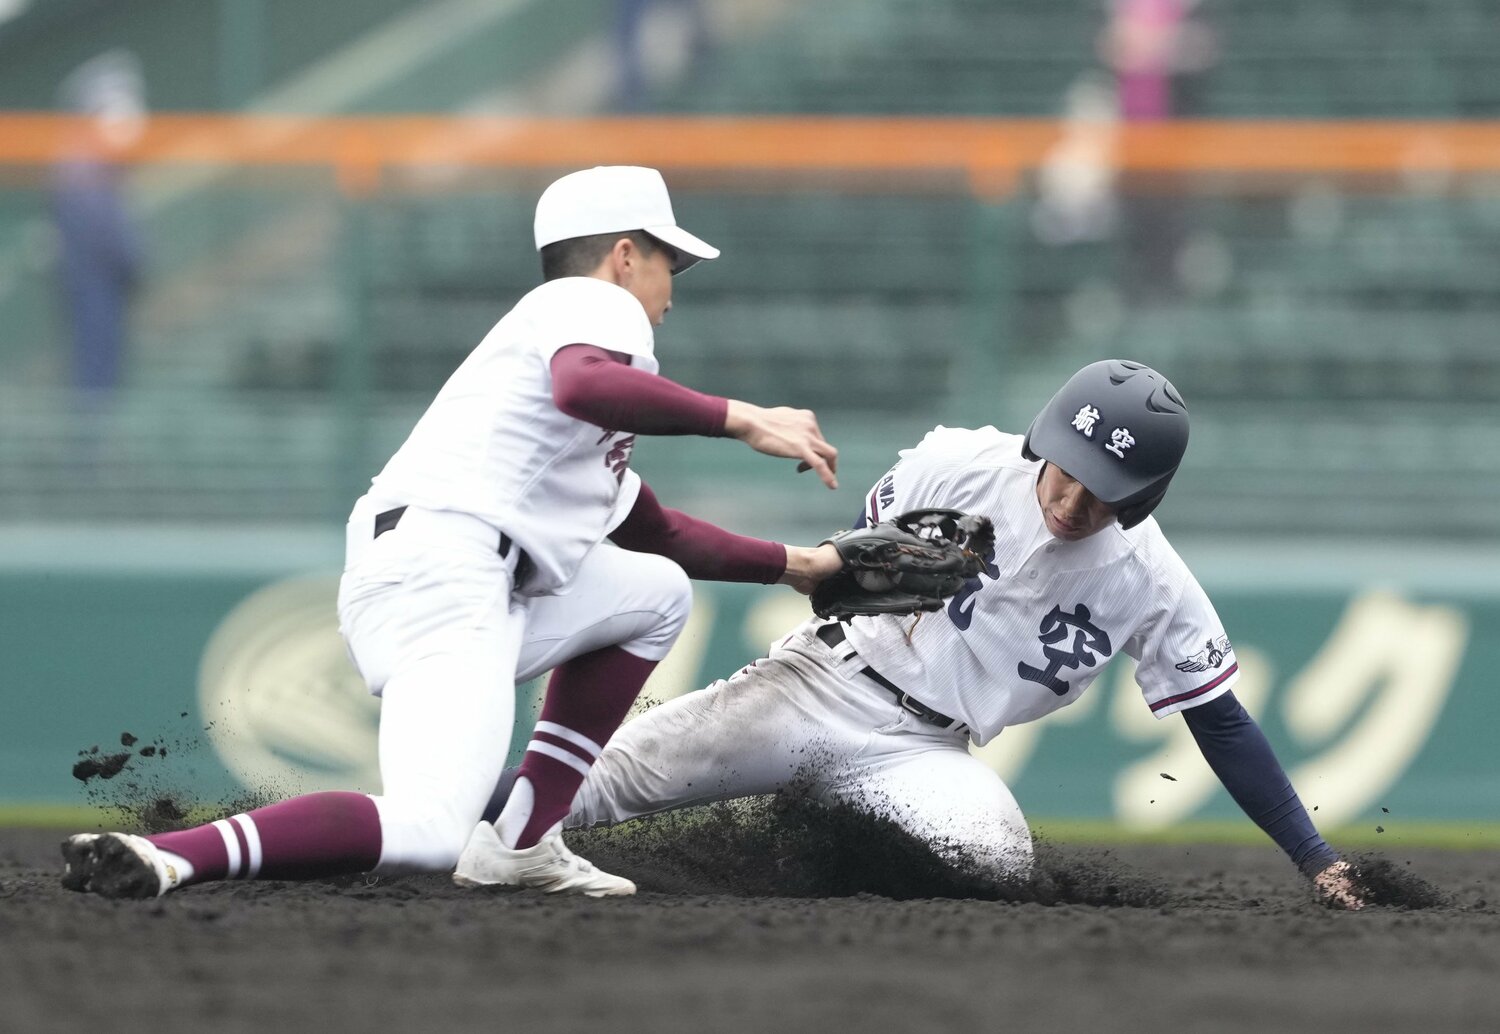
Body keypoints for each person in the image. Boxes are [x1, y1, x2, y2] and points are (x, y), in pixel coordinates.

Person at [61, 165, 847, 900]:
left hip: (463, 571)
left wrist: (800, 566)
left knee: (655, 593)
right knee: (430, 827)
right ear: (623, 255)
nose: (673, 287)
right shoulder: (590, 311)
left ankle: (523, 842)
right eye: (669, 262)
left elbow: (661, 531)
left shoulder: (543, 394)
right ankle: (173, 855)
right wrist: (741, 417)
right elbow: (586, 385)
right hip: (445, 567)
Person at [461, 359, 1365, 910]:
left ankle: (810, 830)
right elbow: (836, 581)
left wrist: (1316, 859)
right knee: (589, 784)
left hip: (925, 750)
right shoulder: (959, 463)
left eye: (1104, 491)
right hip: (822, 685)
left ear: (1146, 499)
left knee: (994, 859)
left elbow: (1222, 722)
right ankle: (418, 822)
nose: (1072, 498)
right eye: (1067, 470)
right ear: (1042, 441)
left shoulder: (1153, 584)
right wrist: (859, 567)